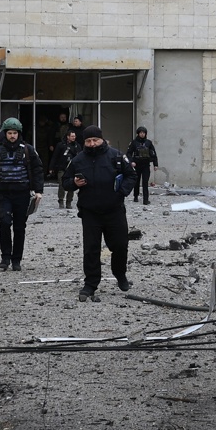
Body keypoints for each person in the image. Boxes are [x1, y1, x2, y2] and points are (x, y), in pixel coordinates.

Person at [62, 125, 137, 302]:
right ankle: (90, 284)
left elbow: (131, 175)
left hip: (114, 210)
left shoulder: (116, 156)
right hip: (90, 213)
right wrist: (74, 183)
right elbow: (65, 181)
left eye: (95, 140)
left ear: (102, 139)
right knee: (91, 249)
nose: (92, 144)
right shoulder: (78, 159)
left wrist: (121, 192)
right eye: (88, 141)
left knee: (119, 245)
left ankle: (120, 274)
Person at [0, 117, 44, 271]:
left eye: (15, 133)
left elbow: (37, 170)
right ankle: (5, 258)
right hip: (3, 194)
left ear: (19, 133)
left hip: (22, 194)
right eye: (9, 133)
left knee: (20, 227)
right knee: (5, 224)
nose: (12, 136)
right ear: (5, 133)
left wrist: (38, 191)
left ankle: (17, 260)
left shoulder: (27, 150)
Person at [125, 126, 159, 205]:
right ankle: (136, 196)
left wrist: (155, 164)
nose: (142, 134)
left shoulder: (148, 143)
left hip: (146, 165)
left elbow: (153, 154)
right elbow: (128, 154)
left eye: (143, 133)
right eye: (141, 133)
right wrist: (131, 162)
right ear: (138, 133)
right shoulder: (134, 143)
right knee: (136, 181)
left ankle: (145, 199)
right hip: (137, 164)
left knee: (145, 182)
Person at [48, 129, 81, 209]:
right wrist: (51, 167)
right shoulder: (61, 145)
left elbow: (80, 157)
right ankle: (61, 200)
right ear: (68, 137)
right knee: (61, 184)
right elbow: (55, 156)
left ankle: (69, 202)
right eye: (72, 136)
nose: (73, 138)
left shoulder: (77, 146)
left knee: (72, 185)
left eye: (74, 136)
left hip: (72, 169)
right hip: (62, 167)